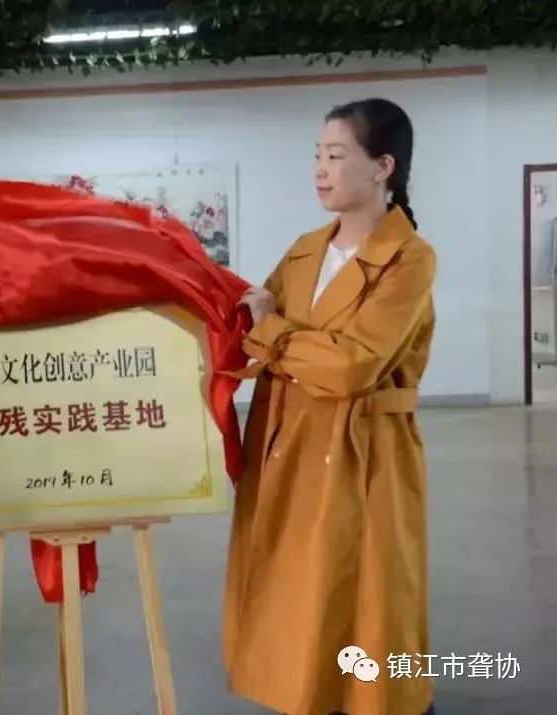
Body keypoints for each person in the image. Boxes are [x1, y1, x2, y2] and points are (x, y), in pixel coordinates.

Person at [224, 98, 437, 715]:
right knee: (297, 590)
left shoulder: (410, 259)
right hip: (288, 445)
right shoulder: (304, 251)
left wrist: (273, 333)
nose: (320, 168)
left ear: (382, 167)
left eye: (336, 155)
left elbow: (351, 366)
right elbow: (249, 328)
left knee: (370, 596)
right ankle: (311, 696)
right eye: (317, 154)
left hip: (364, 454)